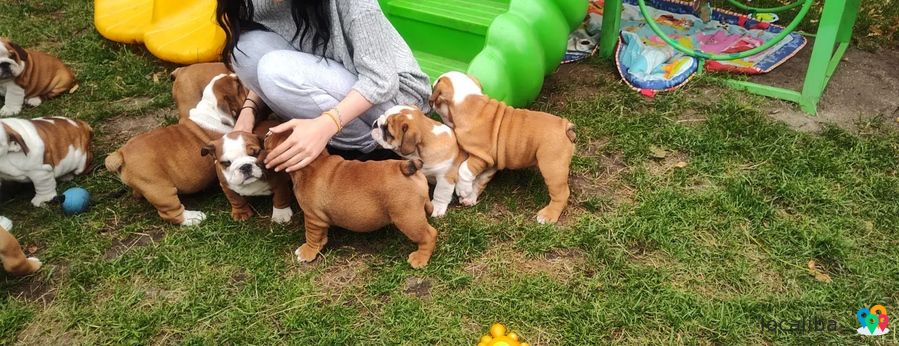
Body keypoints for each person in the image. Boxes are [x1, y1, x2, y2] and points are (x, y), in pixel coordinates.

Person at [216, 0, 432, 172]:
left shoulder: (356, 4)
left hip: (397, 101)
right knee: (245, 50)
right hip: (336, 77)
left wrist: (325, 126)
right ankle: (342, 138)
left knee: (275, 69)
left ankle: (376, 146)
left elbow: (381, 80)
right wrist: (249, 109)